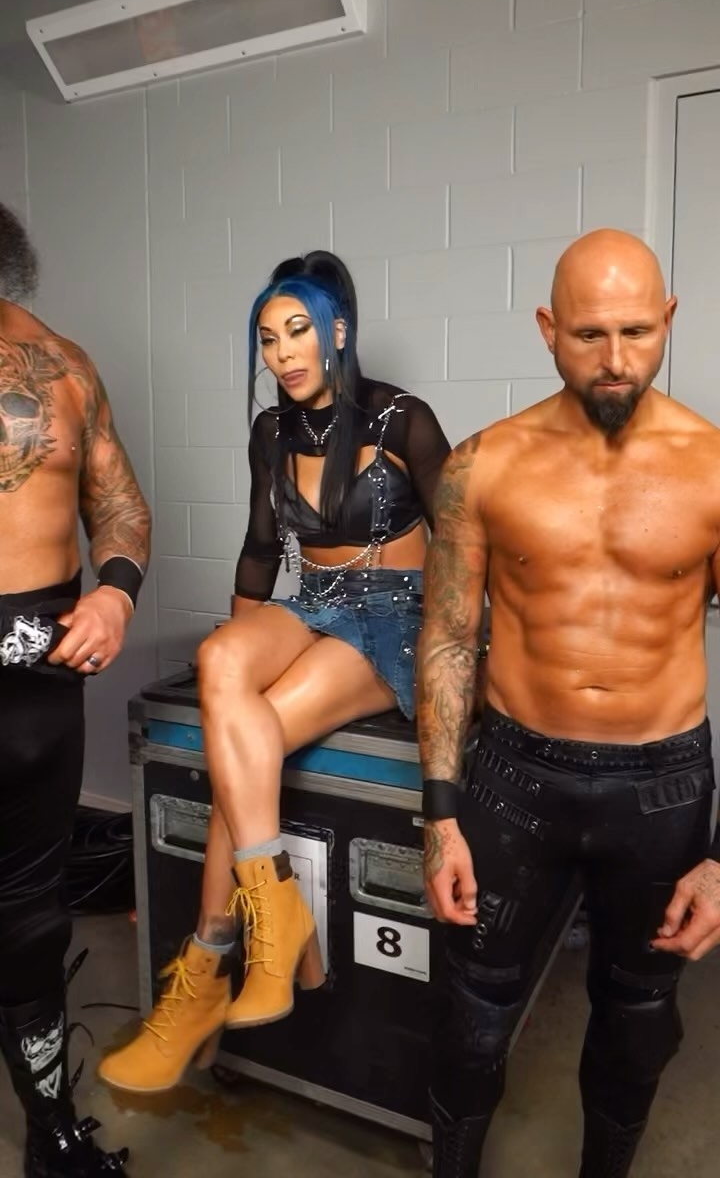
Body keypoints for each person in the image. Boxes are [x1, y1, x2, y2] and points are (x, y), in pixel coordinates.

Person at [98, 249, 451, 1093]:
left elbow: (469, 544)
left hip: (396, 616)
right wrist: (231, 679)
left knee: (247, 748)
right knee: (221, 661)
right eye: (267, 338)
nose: (283, 353)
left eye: (298, 331)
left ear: (337, 332)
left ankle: (206, 962)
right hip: (313, 601)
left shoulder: (402, 418)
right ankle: (278, 915)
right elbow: (262, 550)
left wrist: (468, 660)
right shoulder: (273, 431)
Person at [416, 228, 720, 1178]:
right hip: (515, 776)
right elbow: (449, 636)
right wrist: (439, 814)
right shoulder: (483, 464)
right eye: (590, 335)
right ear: (548, 329)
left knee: (637, 1024)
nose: (617, 359)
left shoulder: (714, 465)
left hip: (662, 787)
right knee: (470, 1019)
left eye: (638, 331)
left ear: (669, 319)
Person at [0, 202, 151, 1176]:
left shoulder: (65, 367)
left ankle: (51, 1135)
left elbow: (122, 506)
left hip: (36, 680)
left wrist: (115, 593)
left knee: (30, 912)